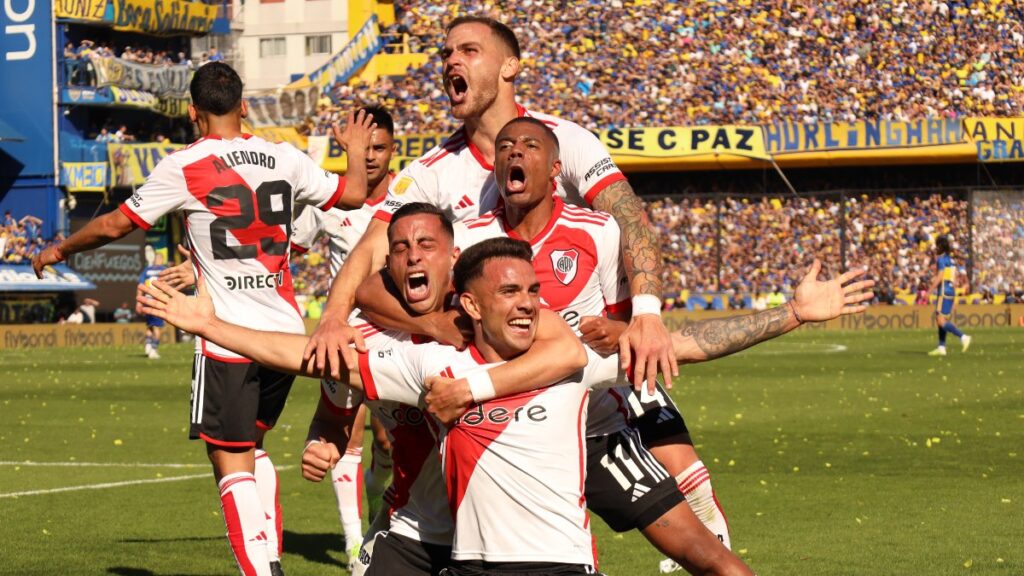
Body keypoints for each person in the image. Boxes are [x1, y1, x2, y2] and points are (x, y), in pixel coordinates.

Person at [32, 61, 372, 576]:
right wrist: (352, 152)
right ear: (243, 105)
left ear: (193, 112)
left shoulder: (185, 165)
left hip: (226, 339)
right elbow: (352, 195)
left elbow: (115, 223)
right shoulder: (285, 157)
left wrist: (59, 250)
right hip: (283, 335)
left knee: (229, 462)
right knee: (252, 447)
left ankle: (259, 571)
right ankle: (272, 558)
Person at [306, 15, 677, 395]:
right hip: (501, 375)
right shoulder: (430, 172)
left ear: (510, 66)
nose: (451, 60)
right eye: (446, 53)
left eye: (469, 50)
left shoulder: (567, 139)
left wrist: (646, 314)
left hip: (590, 362)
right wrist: (334, 317)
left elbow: (631, 218)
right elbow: (372, 248)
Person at [290, 104, 399, 567]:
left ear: (394, 149)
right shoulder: (330, 203)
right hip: (344, 341)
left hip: (399, 341)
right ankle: (357, 548)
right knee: (344, 437)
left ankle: (381, 511)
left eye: (378, 148)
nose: (370, 157)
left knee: (390, 445)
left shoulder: (414, 197)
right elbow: (283, 249)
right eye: (362, 148)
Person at [928, 235, 971, 356]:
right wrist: (955, 296)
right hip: (950, 290)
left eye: (937, 245)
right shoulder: (950, 260)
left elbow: (940, 276)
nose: (935, 248)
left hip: (943, 291)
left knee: (940, 320)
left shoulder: (941, 260)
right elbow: (955, 278)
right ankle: (942, 347)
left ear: (940, 246)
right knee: (941, 319)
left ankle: (963, 336)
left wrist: (930, 290)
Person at [140, 252, 168, 358]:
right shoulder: (164, 270)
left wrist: (139, 301)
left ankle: (147, 345)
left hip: (147, 300)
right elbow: (167, 285)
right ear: (161, 260)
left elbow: (140, 284)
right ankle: (154, 350)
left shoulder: (147, 270)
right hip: (157, 301)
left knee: (149, 325)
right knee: (157, 327)